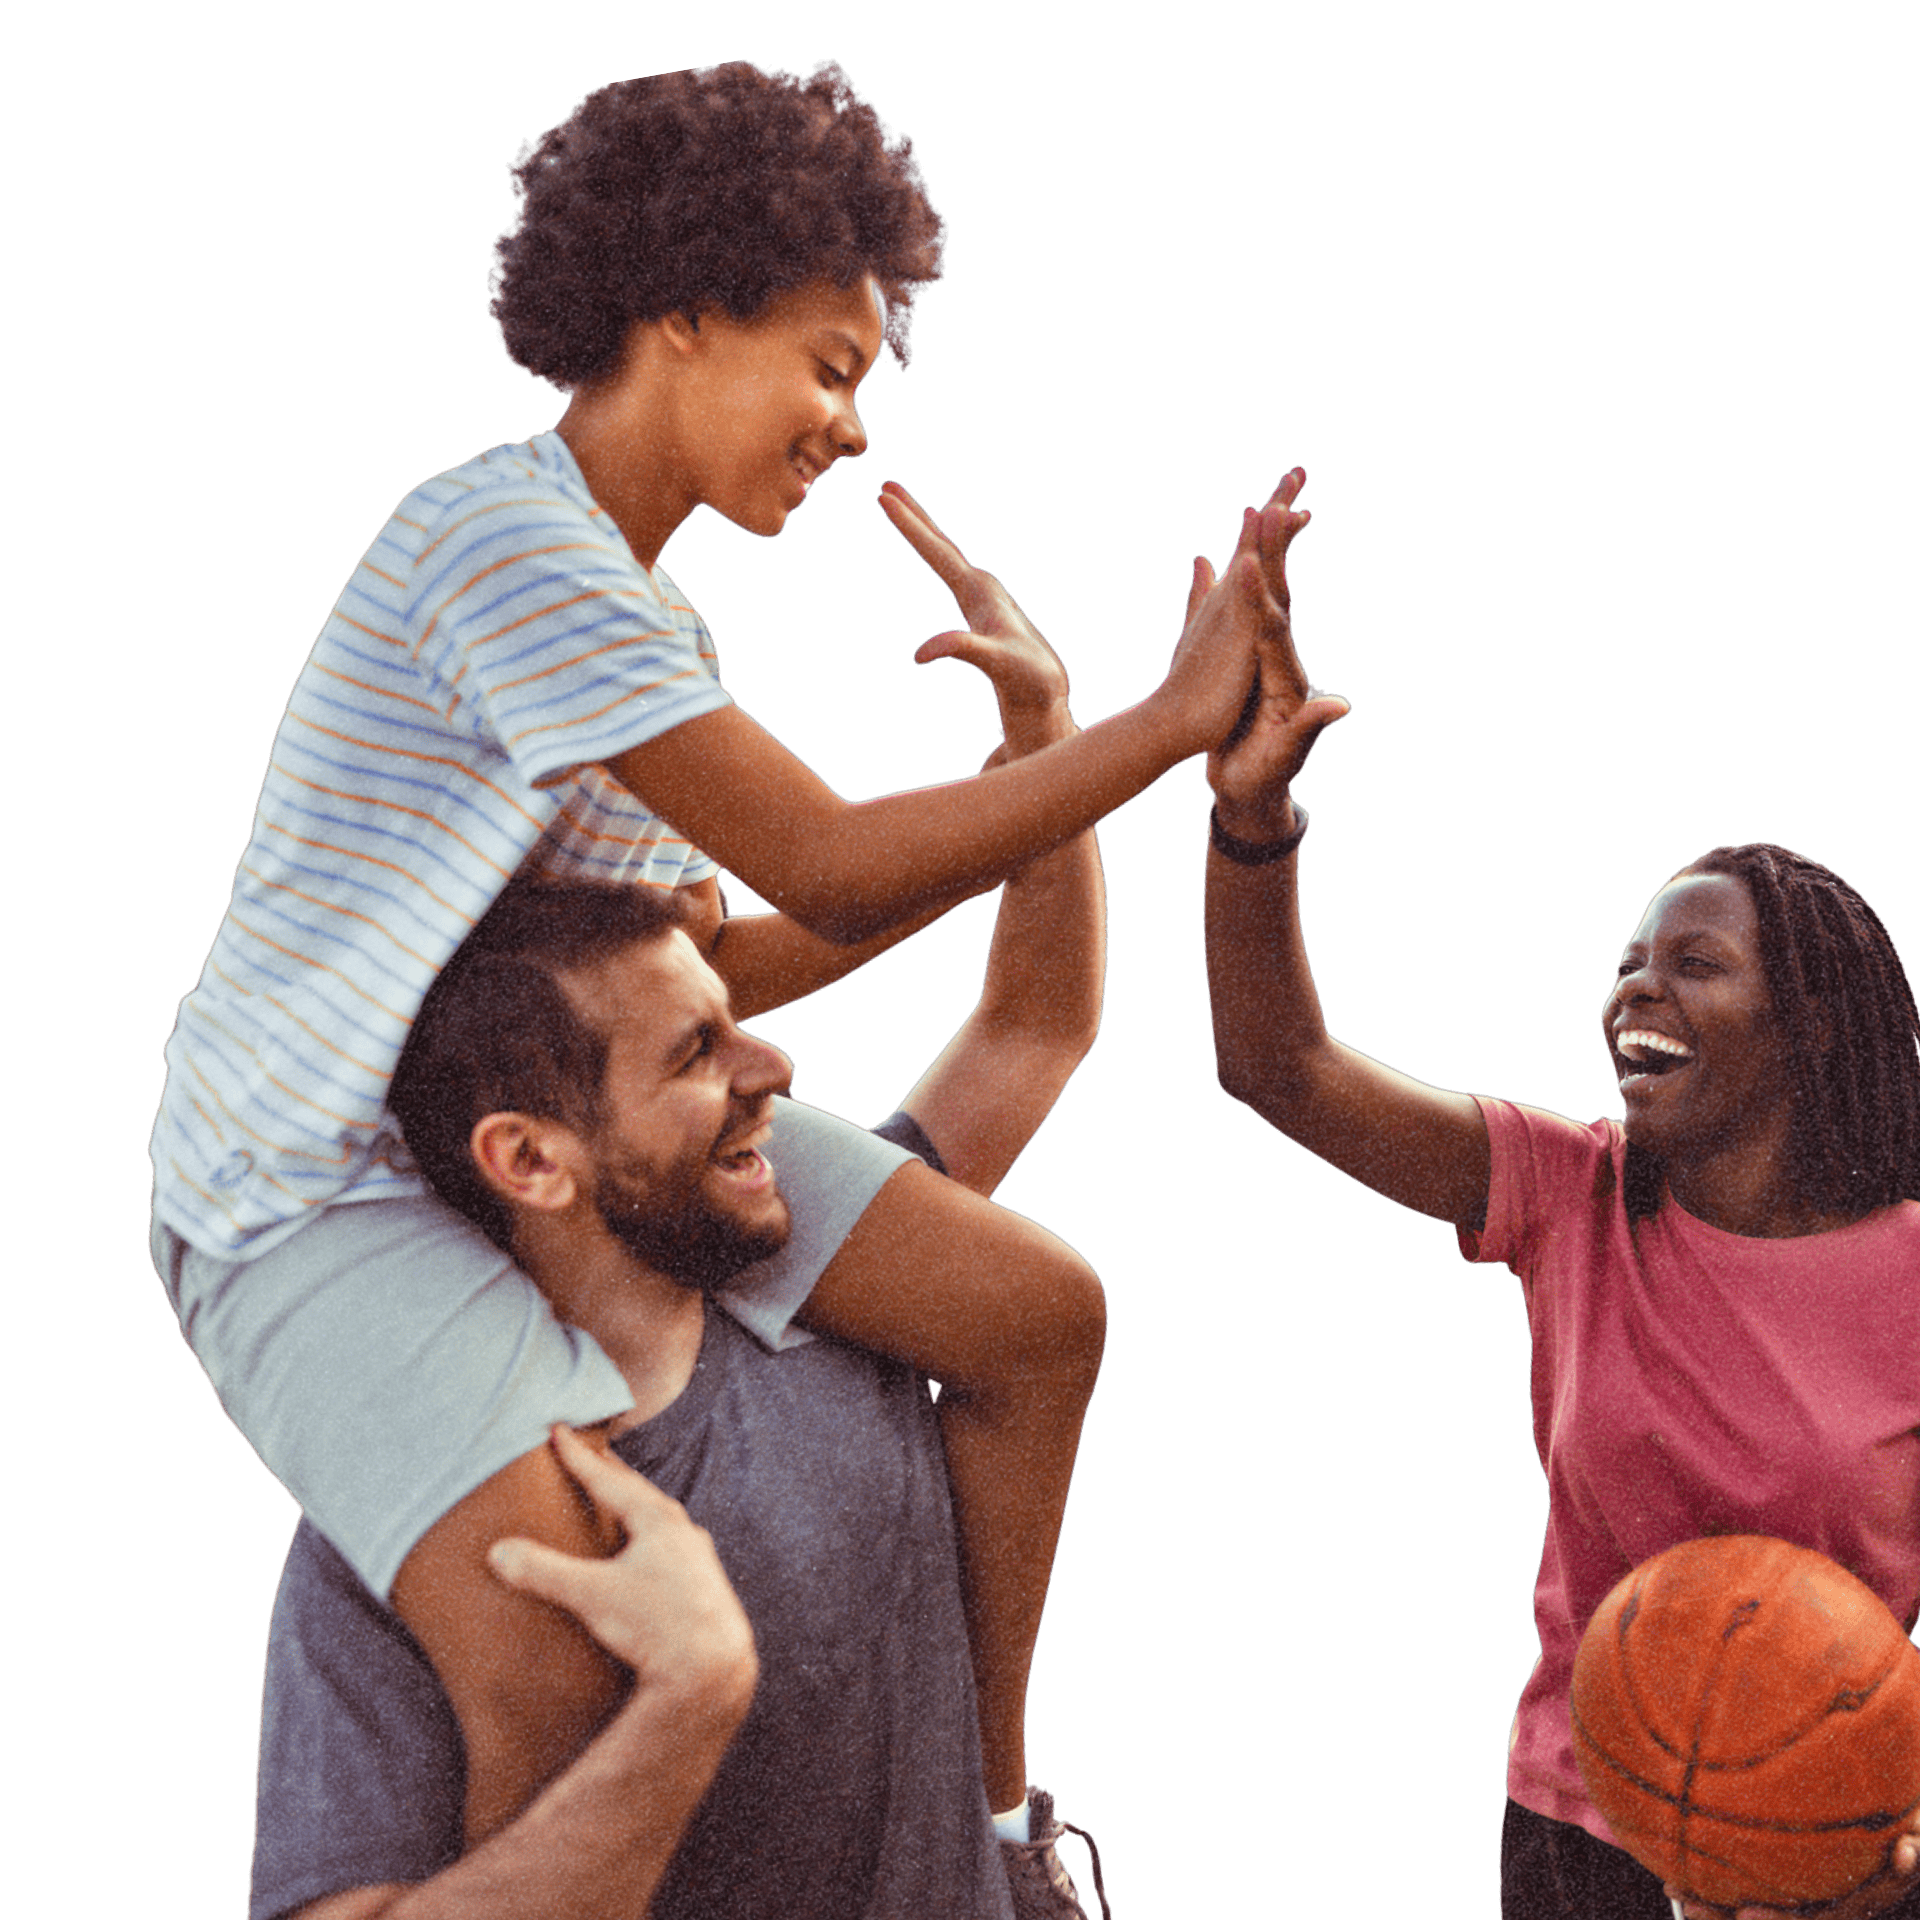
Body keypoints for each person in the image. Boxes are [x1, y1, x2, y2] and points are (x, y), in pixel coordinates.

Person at [147, 58, 1296, 1853]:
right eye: (830, 365)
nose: (850, 422)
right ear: (680, 314)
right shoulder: (504, 550)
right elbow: (831, 866)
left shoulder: (633, 615)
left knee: (1033, 1314)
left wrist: (1041, 769)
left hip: (539, 1112)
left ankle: (989, 1825)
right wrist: (1151, 736)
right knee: (541, 1671)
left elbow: (725, 965)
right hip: (315, 1186)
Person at [1198, 471, 1920, 1920]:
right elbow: (1276, 1067)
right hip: (1583, 1835)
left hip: (1848, 1857)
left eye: (1692, 965)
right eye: (1625, 963)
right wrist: (1248, 820)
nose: (1632, 992)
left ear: (1818, 1021)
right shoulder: (1572, 1195)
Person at [247, 754, 1112, 1917]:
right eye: (695, 1055)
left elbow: (1033, 1030)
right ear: (529, 1159)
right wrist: (682, 1704)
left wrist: (1047, 753)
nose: (773, 1067)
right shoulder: (412, 1525)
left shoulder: (838, 1310)